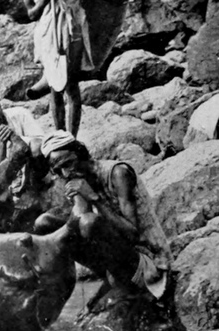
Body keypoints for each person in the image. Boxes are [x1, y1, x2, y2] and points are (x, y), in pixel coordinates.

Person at [36, 130, 169, 308]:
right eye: (58, 170)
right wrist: (79, 199)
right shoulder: (76, 177)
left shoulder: (118, 173)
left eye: (68, 163)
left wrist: (93, 198)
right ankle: (109, 277)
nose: (66, 173)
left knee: (89, 223)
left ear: (80, 153)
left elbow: (132, 234)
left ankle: (124, 284)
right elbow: (78, 223)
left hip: (148, 259)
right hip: (120, 256)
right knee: (45, 223)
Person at [15, 0, 94, 138]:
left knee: (70, 83)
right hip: (47, 31)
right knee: (54, 87)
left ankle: (72, 137)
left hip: (69, 26)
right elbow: (31, 14)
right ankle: (60, 137)